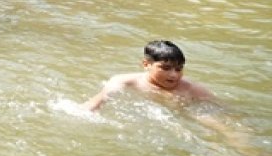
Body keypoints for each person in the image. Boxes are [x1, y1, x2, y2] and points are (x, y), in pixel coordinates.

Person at [82, 40, 217, 111]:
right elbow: (94, 104)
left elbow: (220, 109)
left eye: (179, 69)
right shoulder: (125, 82)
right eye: (166, 68)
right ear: (146, 64)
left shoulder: (190, 88)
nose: (174, 75)